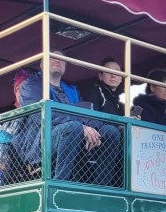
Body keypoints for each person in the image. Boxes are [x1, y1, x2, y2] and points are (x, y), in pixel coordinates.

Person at [15, 50, 121, 186]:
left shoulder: (72, 89)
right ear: (42, 64)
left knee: (111, 132)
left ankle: (101, 186)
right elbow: (39, 116)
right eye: (52, 57)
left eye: (61, 59)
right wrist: (81, 126)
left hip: (74, 134)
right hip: (41, 139)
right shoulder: (31, 85)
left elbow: (86, 113)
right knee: (73, 127)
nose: (57, 60)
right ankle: (60, 185)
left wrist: (93, 128)